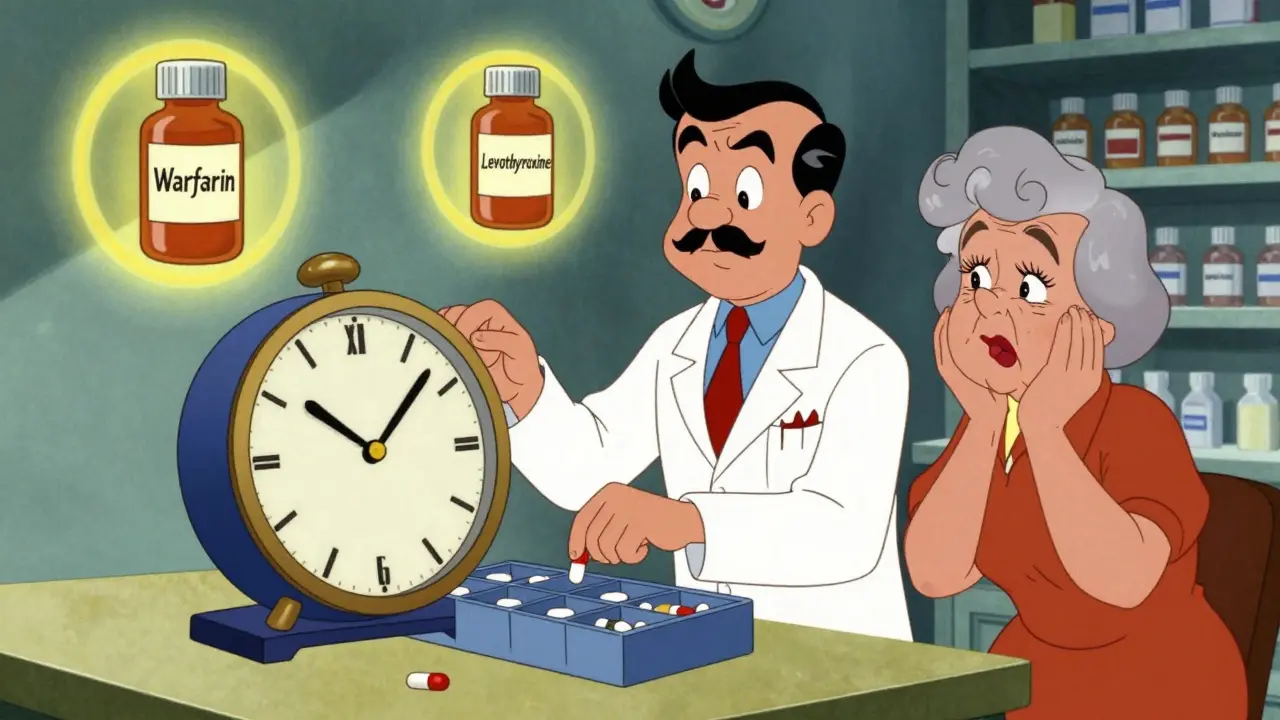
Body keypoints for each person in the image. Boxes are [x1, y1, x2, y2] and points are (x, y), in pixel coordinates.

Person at [439, 50, 913, 638]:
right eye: (695, 186)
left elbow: (844, 533)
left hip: (845, 663)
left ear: (812, 217)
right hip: (716, 652)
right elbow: (589, 465)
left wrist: (684, 521)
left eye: (745, 193)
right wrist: (525, 390)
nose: (708, 213)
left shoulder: (864, 358)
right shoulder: (677, 345)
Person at [907, 125, 1247, 718]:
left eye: (1032, 285)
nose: (991, 304)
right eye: (977, 276)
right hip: (1042, 672)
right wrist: (986, 422)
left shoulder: (1139, 423)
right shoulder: (988, 426)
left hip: (1162, 682)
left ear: (1102, 319)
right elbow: (937, 574)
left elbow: (1123, 581)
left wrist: (1043, 430)